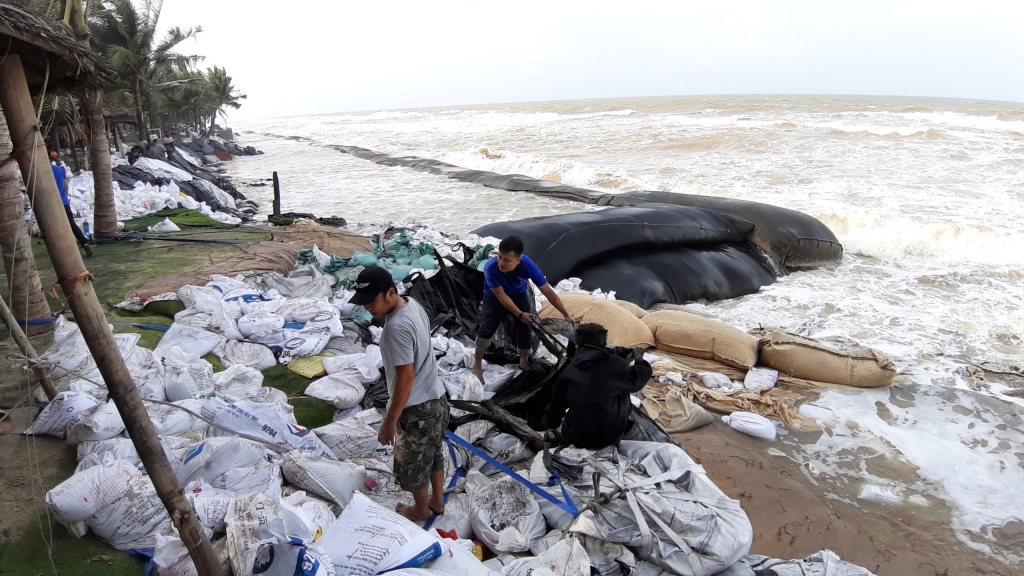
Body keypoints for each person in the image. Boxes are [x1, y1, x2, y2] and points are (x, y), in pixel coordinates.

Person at [350, 266, 448, 521]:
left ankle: (421, 509)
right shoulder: (412, 304)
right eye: (364, 303)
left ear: (390, 293)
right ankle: (437, 500)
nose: (368, 307)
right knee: (434, 452)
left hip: (416, 407)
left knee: (412, 463)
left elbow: (405, 378)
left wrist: (390, 421)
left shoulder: (395, 329)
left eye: (372, 301)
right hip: (436, 396)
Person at [473, 235, 575, 382]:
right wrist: (520, 314)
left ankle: (524, 361)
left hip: (518, 293)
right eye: (500, 257)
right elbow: (502, 297)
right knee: (486, 331)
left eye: (507, 260)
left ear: (518, 260)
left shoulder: (528, 265)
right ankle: (477, 366)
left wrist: (565, 314)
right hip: (494, 297)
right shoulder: (490, 268)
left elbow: (547, 291)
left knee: (525, 328)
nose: (501, 262)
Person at [541, 323, 652, 449]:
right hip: (612, 435)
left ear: (578, 343)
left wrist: (547, 426)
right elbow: (639, 379)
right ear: (604, 343)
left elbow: (556, 408)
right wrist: (639, 359)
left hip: (576, 436)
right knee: (621, 386)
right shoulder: (616, 364)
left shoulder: (568, 372)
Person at [50, 151, 92, 257]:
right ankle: (84, 242)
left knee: (55, 228)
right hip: (64, 202)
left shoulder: (43, 173)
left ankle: (64, 251)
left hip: (51, 205)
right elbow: (66, 185)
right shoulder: (60, 170)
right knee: (72, 224)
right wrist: (64, 196)